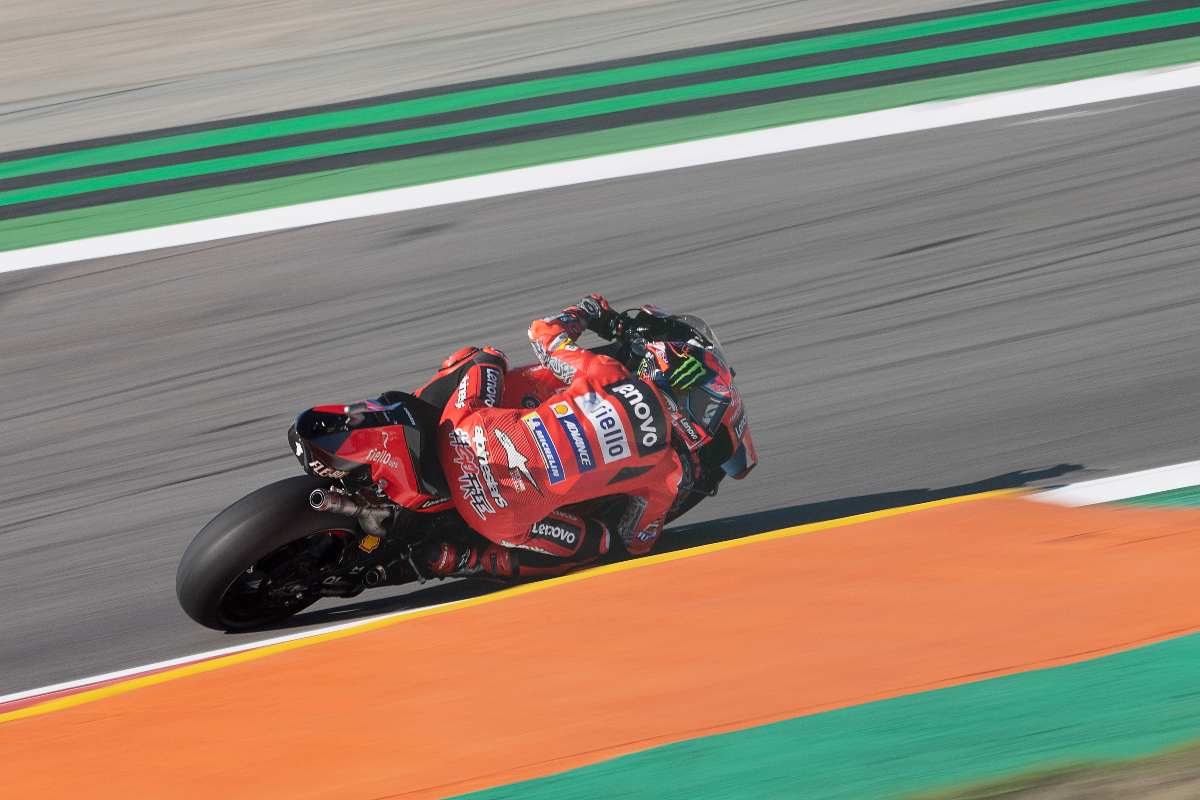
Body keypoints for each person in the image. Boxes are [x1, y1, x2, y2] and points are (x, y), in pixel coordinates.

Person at [414, 294, 755, 579]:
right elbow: (636, 541)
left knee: (488, 357)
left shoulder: (609, 372)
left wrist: (588, 313)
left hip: (461, 436)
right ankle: (463, 558)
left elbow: (541, 333)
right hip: (494, 516)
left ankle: (415, 416)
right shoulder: (669, 473)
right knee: (604, 543)